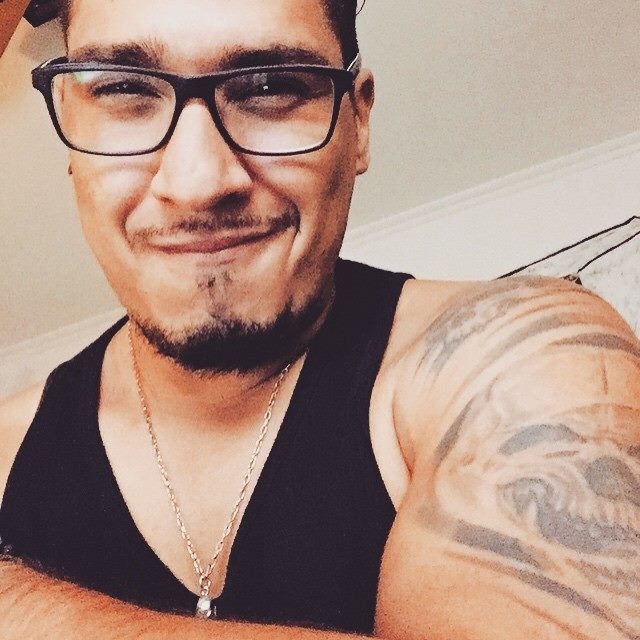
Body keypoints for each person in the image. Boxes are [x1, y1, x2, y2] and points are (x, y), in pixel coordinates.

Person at [0, 0, 638, 638]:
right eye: (124, 91)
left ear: (358, 122)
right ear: (71, 128)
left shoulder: (520, 357)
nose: (197, 183)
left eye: (270, 86)